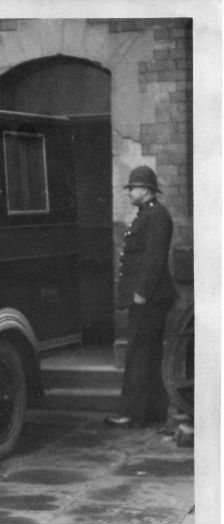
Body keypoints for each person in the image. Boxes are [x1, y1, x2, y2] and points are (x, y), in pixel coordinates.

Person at [105, 165, 176, 429]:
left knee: (138, 354)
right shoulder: (148, 214)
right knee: (147, 353)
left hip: (150, 299)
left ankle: (132, 415)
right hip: (150, 298)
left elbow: (154, 259)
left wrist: (141, 293)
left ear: (145, 190)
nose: (129, 192)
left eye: (132, 188)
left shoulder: (156, 216)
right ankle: (153, 413)